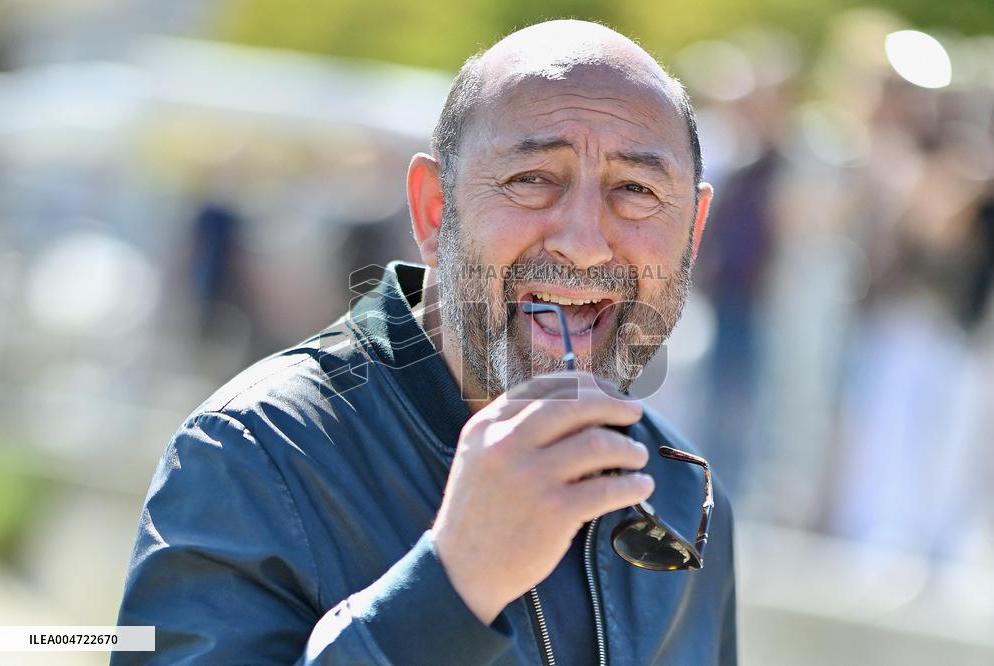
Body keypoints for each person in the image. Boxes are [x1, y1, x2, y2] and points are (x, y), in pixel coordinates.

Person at [112, 19, 737, 665]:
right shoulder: (253, 452)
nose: (583, 242)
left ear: (692, 232)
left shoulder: (685, 494)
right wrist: (452, 584)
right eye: (531, 178)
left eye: (636, 189)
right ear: (435, 210)